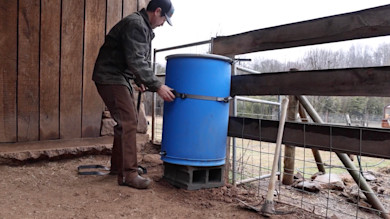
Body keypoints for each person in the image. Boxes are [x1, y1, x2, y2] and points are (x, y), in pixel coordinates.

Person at [92, 0, 176, 189]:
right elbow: (136, 60)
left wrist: (139, 80)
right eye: (164, 18)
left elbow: (130, 57)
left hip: (116, 76)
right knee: (129, 121)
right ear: (157, 11)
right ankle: (128, 174)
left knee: (125, 121)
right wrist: (157, 86)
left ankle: (118, 167)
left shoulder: (141, 26)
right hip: (111, 76)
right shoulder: (136, 25)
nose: (163, 23)